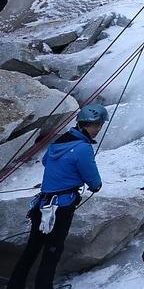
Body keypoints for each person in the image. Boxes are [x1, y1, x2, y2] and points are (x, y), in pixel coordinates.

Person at [7, 103, 106, 289]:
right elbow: (94, 183)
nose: (98, 130)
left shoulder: (59, 143)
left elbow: (46, 161)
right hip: (61, 207)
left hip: (42, 204)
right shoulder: (83, 148)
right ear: (90, 124)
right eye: (97, 125)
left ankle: (15, 285)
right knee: (52, 250)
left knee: (32, 248)